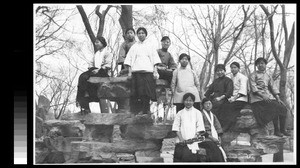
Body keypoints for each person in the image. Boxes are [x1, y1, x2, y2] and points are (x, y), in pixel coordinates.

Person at [124, 27, 161, 115]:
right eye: (139, 33)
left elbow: (155, 59)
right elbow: (129, 59)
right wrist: (129, 72)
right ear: (137, 35)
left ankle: (146, 109)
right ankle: (138, 110)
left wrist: (155, 71)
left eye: (142, 33)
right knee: (138, 91)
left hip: (148, 71)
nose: (141, 35)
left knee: (147, 91)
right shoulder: (134, 46)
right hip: (137, 71)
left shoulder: (150, 46)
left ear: (145, 34)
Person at [249, 57, 290, 137]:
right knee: (275, 107)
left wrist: (278, 98)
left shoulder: (268, 75)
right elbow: (253, 88)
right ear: (256, 65)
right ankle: (276, 130)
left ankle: (282, 129)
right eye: (259, 63)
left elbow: (273, 87)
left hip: (268, 97)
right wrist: (262, 95)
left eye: (262, 63)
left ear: (265, 65)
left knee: (283, 108)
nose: (261, 65)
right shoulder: (253, 75)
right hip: (257, 99)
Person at [76, 36, 112, 114]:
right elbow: (91, 63)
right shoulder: (96, 54)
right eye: (95, 42)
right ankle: (83, 102)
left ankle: (89, 96)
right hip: (94, 70)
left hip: (103, 72)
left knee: (87, 78)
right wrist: (91, 68)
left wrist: (98, 70)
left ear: (102, 43)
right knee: (82, 77)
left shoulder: (107, 53)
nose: (96, 44)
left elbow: (108, 64)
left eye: (97, 42)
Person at [172, 93, 206, 162]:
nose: (188, 102)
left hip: (194, 140)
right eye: (186, 100)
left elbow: (200, 127)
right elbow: (176, 127)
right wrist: (181, 139)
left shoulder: (198, 113)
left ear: (193, 102)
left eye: (190, 100)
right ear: (183, 101)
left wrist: (194, 139)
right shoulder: (179, 113)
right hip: (182, 141)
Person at [217, 62, 249, 132]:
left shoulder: (243, 77)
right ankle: (220, 125)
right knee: (222, 106)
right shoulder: (231, 77)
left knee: (230, 108)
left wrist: (234, 98)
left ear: (238, 68)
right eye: (231, 68)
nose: (233, 69)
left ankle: (227, 126)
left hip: (241, 98)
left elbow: (243, 91)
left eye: (235, 67)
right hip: (232, 98)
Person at [200, 98, 227, 162]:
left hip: (214, 137)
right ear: (203, 105)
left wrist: (219, 137)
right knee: (213, 148)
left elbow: (218, 127)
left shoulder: (213, 116)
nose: (208, 105)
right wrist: (212, 138)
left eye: (210, 104)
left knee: (221, 149)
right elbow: (201, 130)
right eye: (206, 104)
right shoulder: (200, 115)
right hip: (204, 137)